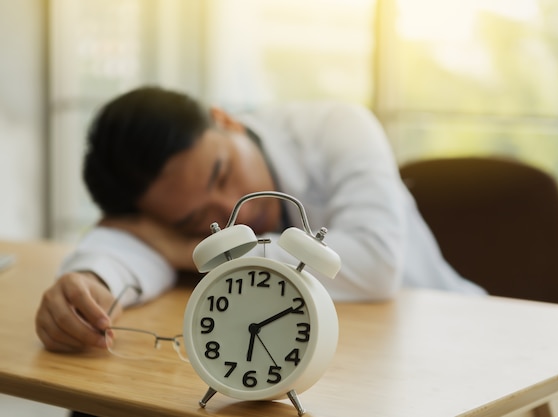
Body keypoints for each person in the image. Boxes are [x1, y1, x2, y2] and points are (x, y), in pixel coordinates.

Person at [35, 86, 485, 353]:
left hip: (452, 335)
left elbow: (376, 265)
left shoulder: (338, 127)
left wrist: (183, 250)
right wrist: (89, 283)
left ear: (224, 120)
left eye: (222, 172)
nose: (239, 207)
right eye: (195, 219)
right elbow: (123, 246)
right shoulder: (162, 209)